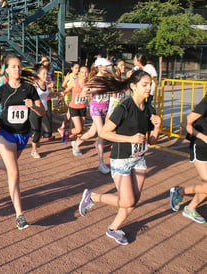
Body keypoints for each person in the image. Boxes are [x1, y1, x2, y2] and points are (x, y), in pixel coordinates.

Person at [79, 70, 161, 245]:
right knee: (127, 200)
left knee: (134, 201)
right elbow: (104, 132)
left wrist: (157, 127)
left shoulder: (149, 109)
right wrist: (130, 139)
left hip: (139, 158)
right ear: (133, 86)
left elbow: (152, 142)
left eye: (150, 84)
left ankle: (113, 228)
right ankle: (92, 197)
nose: (149, 88)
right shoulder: (123, 108)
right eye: (144, 85)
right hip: (121, 159)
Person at [0, 55, 45, 230]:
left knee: (11, 166)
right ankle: (19, 215)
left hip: (22, 135)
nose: (17, 69)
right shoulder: (1, 91)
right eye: (14, 66)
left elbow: (43, 113)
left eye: (19, 66)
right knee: (14, 172)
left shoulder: (29, 89)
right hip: (4, 133)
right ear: (6, 70)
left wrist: (34, 106)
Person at [169, 96, 207, 224]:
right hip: (201, 147)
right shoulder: (206, 103)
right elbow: (184, 123)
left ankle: (190, 209)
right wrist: (203, 137)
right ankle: (179, 191)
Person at [72, 58, 112, 174]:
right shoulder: (94, 80)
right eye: (106, 66)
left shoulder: (108, 79)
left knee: (91, 132)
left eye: (108, 66)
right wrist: (92, 90)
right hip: (95, 108)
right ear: (100, 67)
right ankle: (101, 163)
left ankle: (76, 143)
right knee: (102, 133)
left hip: (105, 108)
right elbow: (83, 93)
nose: (108, 68)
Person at [62, 66, 89, 156]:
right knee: (78, 128)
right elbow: (66, 90)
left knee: (81, 131)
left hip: (83, 108)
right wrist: (62, 94)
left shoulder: (88, 84)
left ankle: (76, 147)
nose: (84, 74)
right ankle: (67, 132)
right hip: (74, 107)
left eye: (86, 72)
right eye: (82, 72)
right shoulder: (75, 82)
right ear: (79, 73)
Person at [29, 64, 51, 158]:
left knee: (48, 131)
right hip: (34, 111)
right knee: (37, 131)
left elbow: (46, 95)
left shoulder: (46, 84)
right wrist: (33, 105)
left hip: (43, 111)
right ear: (38, 74)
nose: (46, 75)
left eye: (47, 73)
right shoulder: (34, 85)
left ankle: (35, 141)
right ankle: (34, 150)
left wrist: (58, 93)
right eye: (43, 74)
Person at [58, 62, 80, 137]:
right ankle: (65, 127)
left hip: (76, 97)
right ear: (72, 68)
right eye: (76, 68)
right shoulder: (68, 76)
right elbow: (63, 86)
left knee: (72, 113)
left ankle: (66, 128)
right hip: (69, 97)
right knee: (71, 113)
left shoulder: (79, 76)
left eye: (78, 68)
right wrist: (63, 92)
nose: (77, 70)